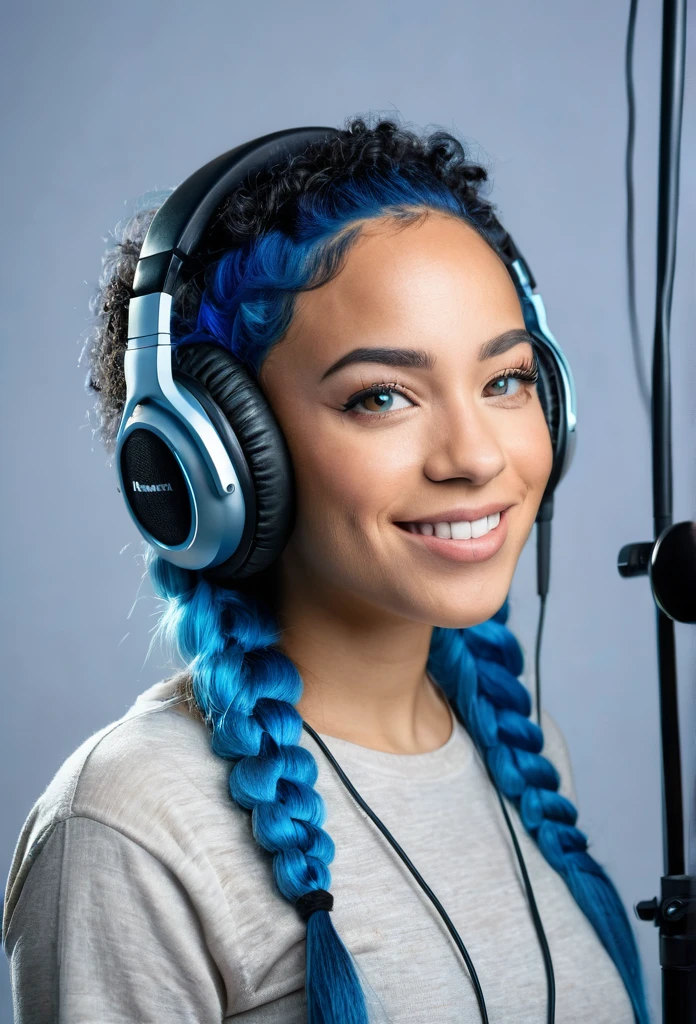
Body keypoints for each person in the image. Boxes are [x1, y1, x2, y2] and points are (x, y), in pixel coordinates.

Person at [2, 114, 650, 1023]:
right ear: (216, 455)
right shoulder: (129, 825)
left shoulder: (519, 748)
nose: (475, 456)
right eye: (381, 396)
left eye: (504, 381)